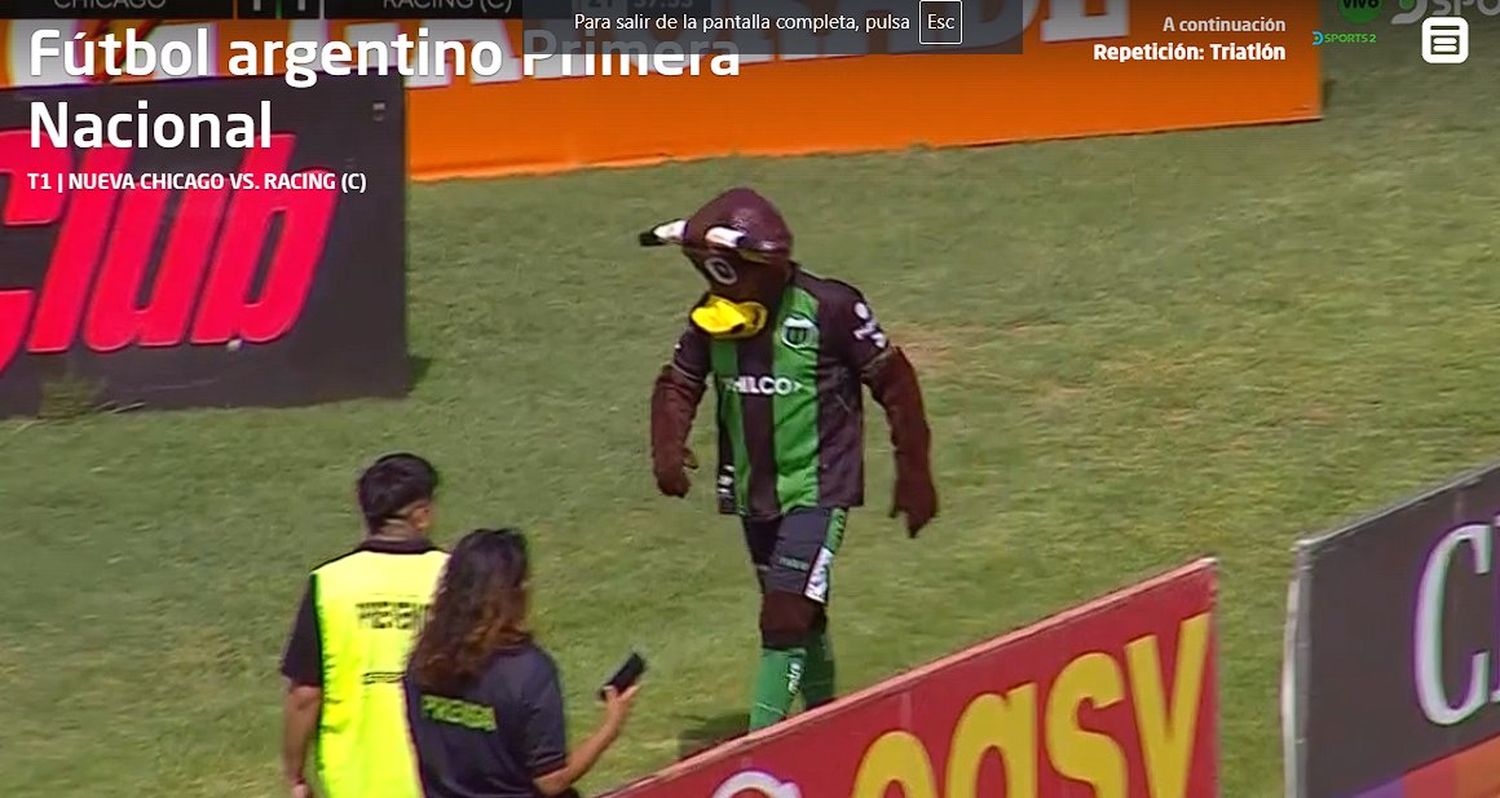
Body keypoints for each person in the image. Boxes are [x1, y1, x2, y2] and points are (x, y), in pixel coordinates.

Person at [642, 187, 939, 730]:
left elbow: (895, 382)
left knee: (784, 614)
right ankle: (825, 725)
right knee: (806, 613)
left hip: (819, 489)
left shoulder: (832, 309)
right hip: (755, 492)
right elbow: (679, 381)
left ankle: (762, 743)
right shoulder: (714, 318)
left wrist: (914, 468)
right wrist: (667, 444)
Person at [404, 528, 639, 798]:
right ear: (515, 592)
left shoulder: (421, 660)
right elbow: (551, 781)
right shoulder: (528, 671)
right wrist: (610, 727)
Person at [280, 453, 450, 798]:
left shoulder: (329, 583)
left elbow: (305, 695)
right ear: (421, 514)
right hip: (446, 776)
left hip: (355, 781)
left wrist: (295, 775)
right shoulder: (457, 577)